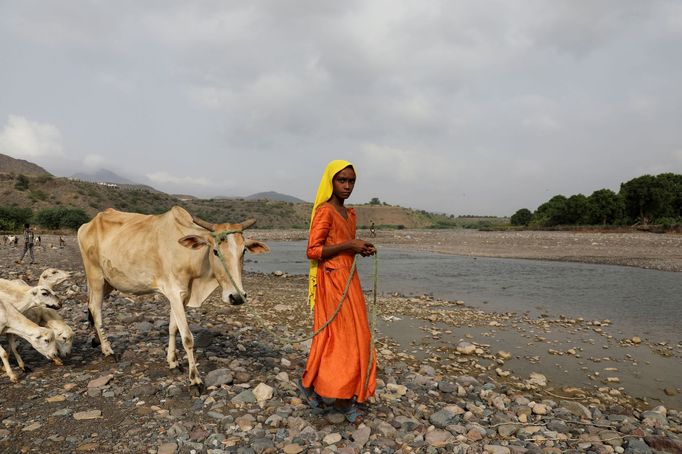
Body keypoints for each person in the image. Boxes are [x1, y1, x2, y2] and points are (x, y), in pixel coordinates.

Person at [298, 160, 377, 422]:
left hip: (348, 278)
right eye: (341, 180)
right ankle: (341, 398)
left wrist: (359, 248)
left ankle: (318, 387)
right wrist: (349, 245)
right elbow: (313, 251)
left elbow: (344, 247)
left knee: (358, 335)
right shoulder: (325, 212)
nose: (347, 186)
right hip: (331, 280)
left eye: (351, 181)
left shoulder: (349, 213)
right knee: (340, 338)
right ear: (330, 181)